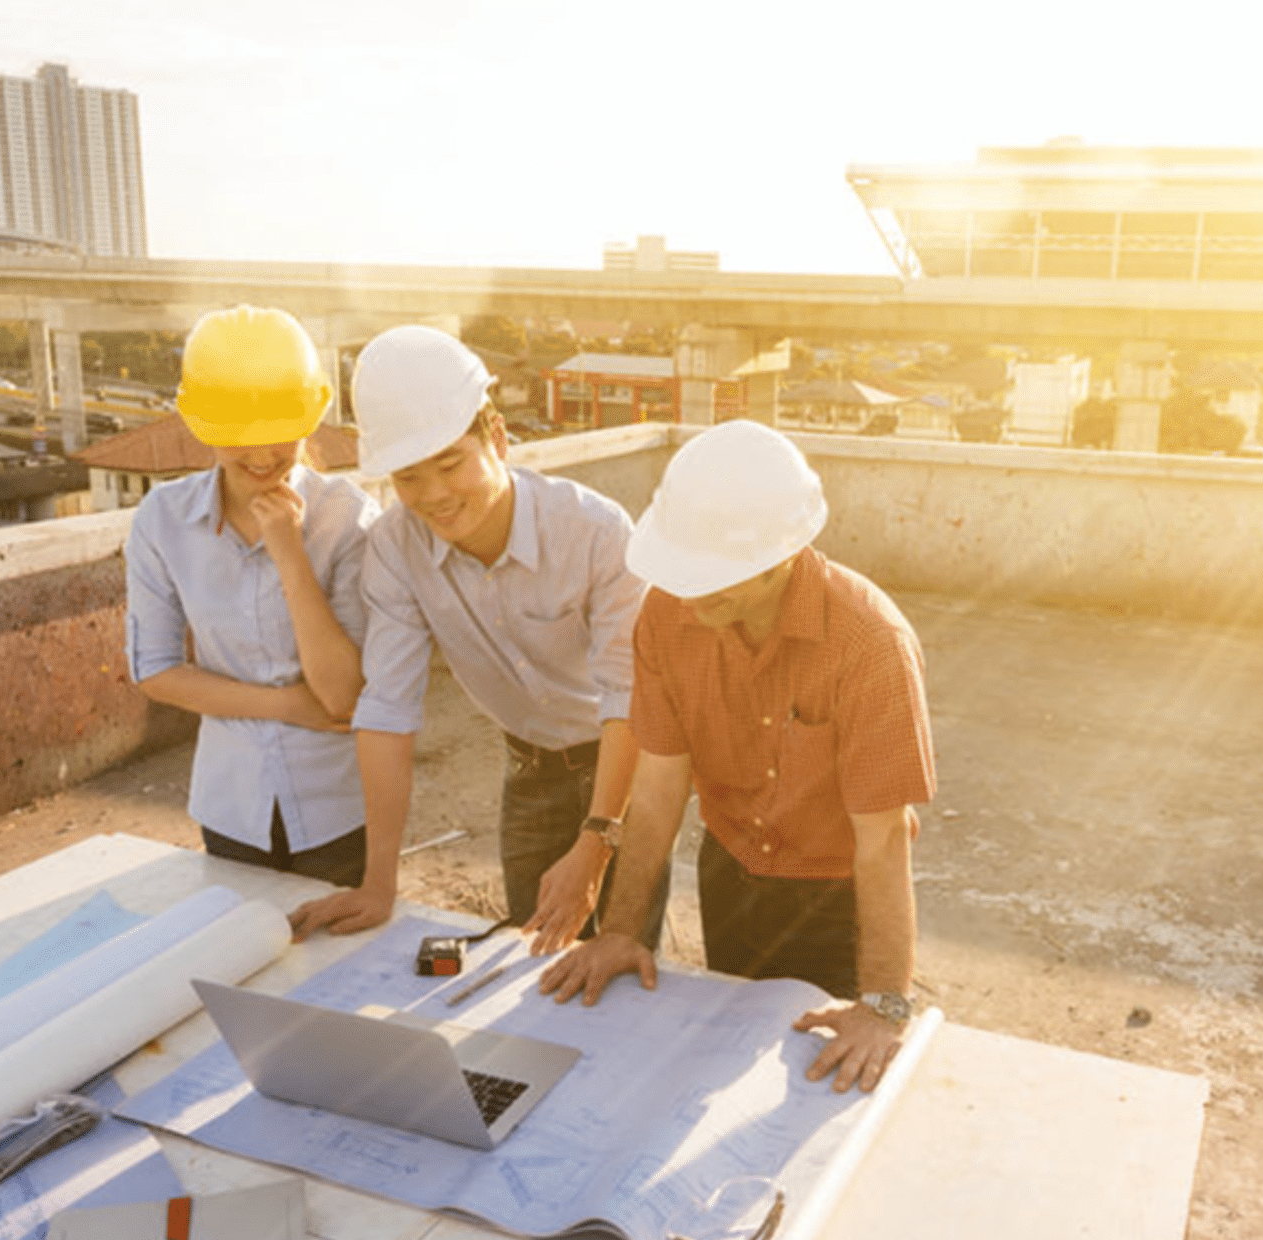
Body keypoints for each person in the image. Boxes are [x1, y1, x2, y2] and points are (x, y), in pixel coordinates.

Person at [539, 421, 936, 1094]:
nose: (693, 593)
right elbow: (660, 785)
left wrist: (883, 1005)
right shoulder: (664, 617)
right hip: (730, 878)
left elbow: (881, 839)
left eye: (715, 577)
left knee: (821, 1089)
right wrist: (620, 929)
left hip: (835, 903)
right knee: (728, 1075)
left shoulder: (870, 644)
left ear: (787, 551)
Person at [288, 326, 665, 948]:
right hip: (529, 766)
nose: (434, 496)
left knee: (622, 959)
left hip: (624, 764)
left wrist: (597, 843)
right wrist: (378, 882)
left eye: (449, 463)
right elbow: (387, 707)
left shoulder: (595, 532)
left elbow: (631, 700)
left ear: (497, 438)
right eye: (408, 478)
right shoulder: (393, 548)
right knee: (530, 961)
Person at [125, 305, 378, 886]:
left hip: (337, 806)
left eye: (281, 436)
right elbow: (155, 670)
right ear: (204, 427)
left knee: (340, 969)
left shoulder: (348, 518)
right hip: (229, 804)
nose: (264, 457)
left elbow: (341, 695)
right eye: (241, 440)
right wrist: (286, 705)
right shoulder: (162, 520)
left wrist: (289, 551)